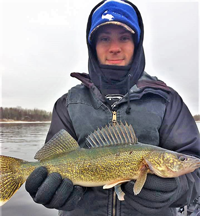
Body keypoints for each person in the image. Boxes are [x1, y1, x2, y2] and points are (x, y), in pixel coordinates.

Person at [25, 0, 200, 216]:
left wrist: (178, 189)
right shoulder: (66, 104)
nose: (114, 48)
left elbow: (196, 174)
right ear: (92, 46)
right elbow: (51, 162)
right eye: (105, 38)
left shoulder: (167, 100)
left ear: (137, 43)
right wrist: (49, 190)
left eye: (124, 38)